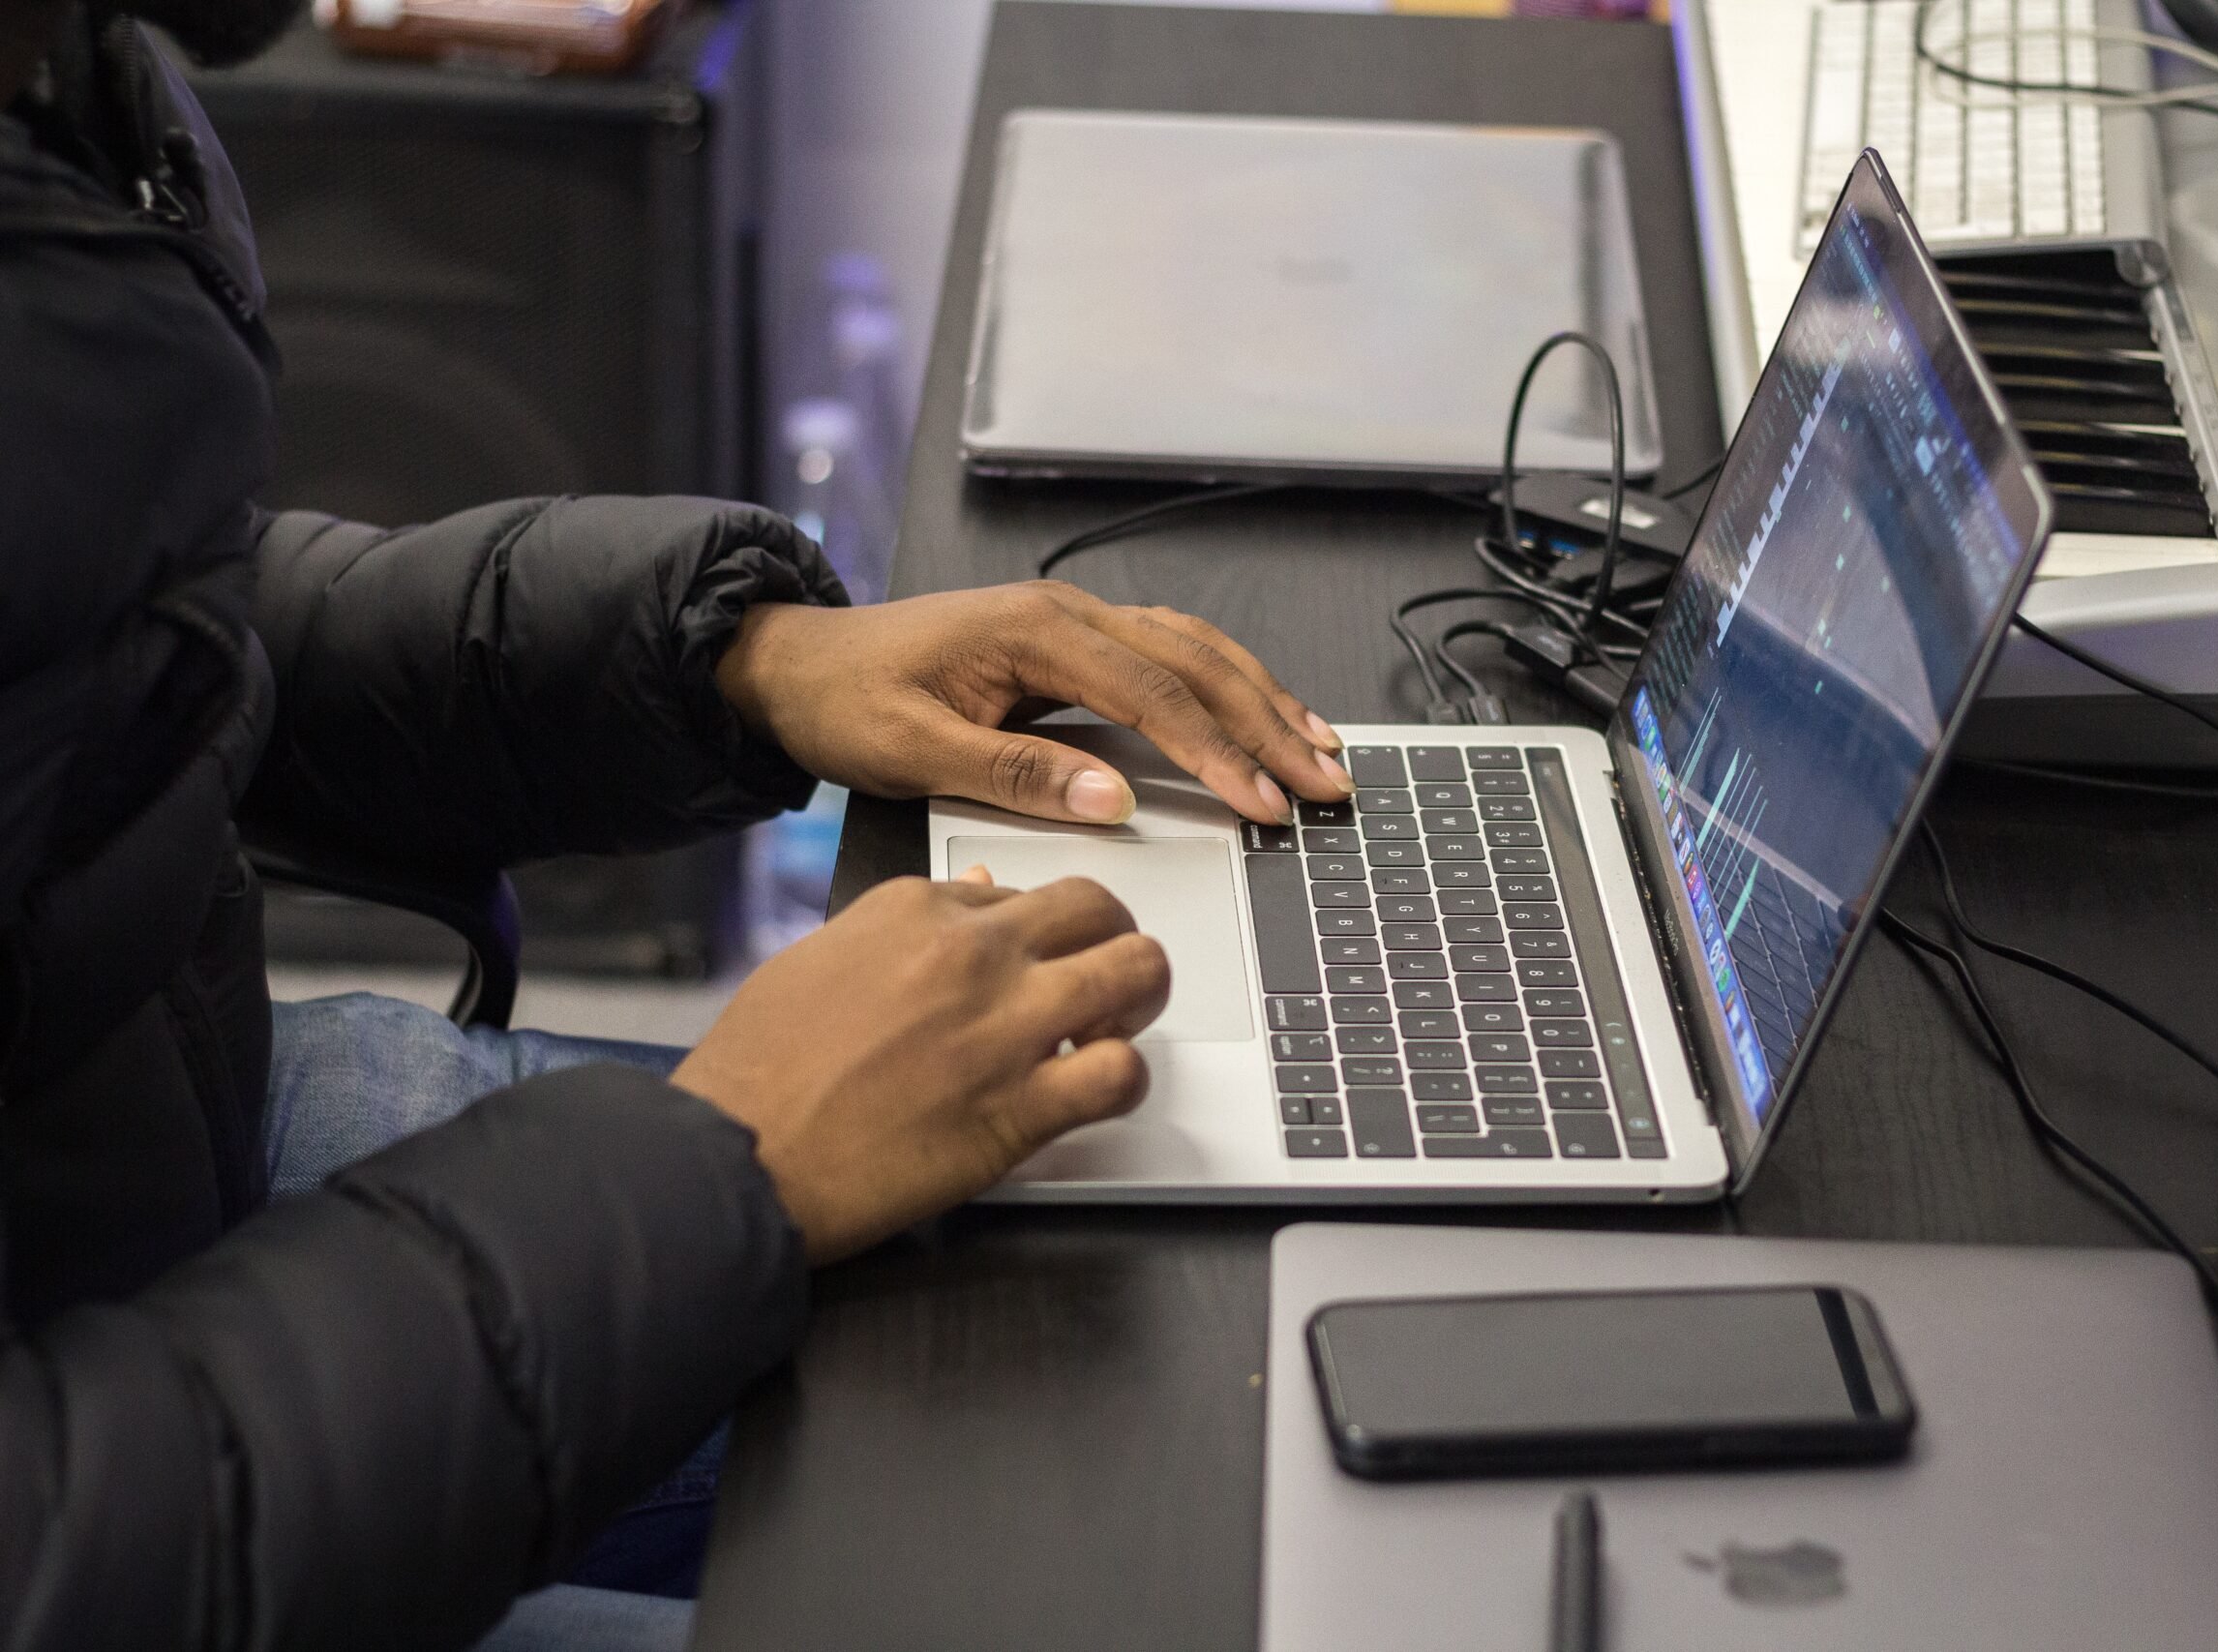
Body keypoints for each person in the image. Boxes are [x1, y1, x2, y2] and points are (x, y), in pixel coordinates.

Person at [0, 0, 1358, 1648]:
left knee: (1167, 1330)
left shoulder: (57, 76)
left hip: (164, 1124)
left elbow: (140, 633)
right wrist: (722, 1173)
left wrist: (734, 658)